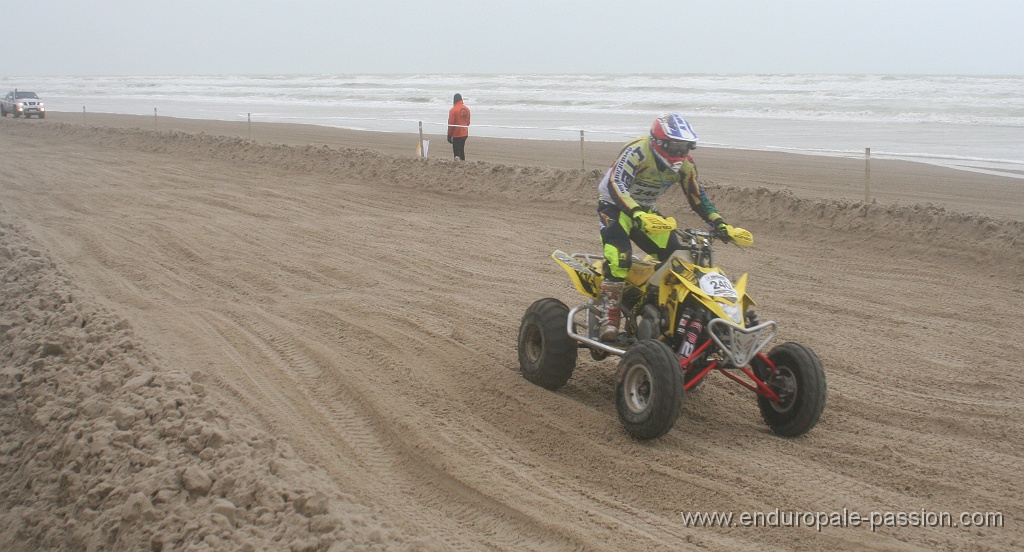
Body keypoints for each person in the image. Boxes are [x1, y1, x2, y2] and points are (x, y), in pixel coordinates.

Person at [596, 113, 753, 342]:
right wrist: (637, 213)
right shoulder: (637, 151)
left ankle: (661, 313)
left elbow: (697, 196)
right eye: (675, 146)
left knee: (678, 258)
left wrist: (721, 225)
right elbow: (615, 184)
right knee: (619, 258)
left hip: (645, 211)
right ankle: (609, 317)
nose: (680, 153)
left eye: (685, 147)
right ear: (659, 142)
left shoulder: (685, 165)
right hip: (614, 207)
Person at [447, 93, 471, 160]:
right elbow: (468, 122)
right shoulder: (467, 109)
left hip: (457, 134)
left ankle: (458, 164)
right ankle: (463, 163)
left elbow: (451, 124)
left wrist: (449, 135)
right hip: (465, 133)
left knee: (456, 151)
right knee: (461, 150)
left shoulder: (453, 110)